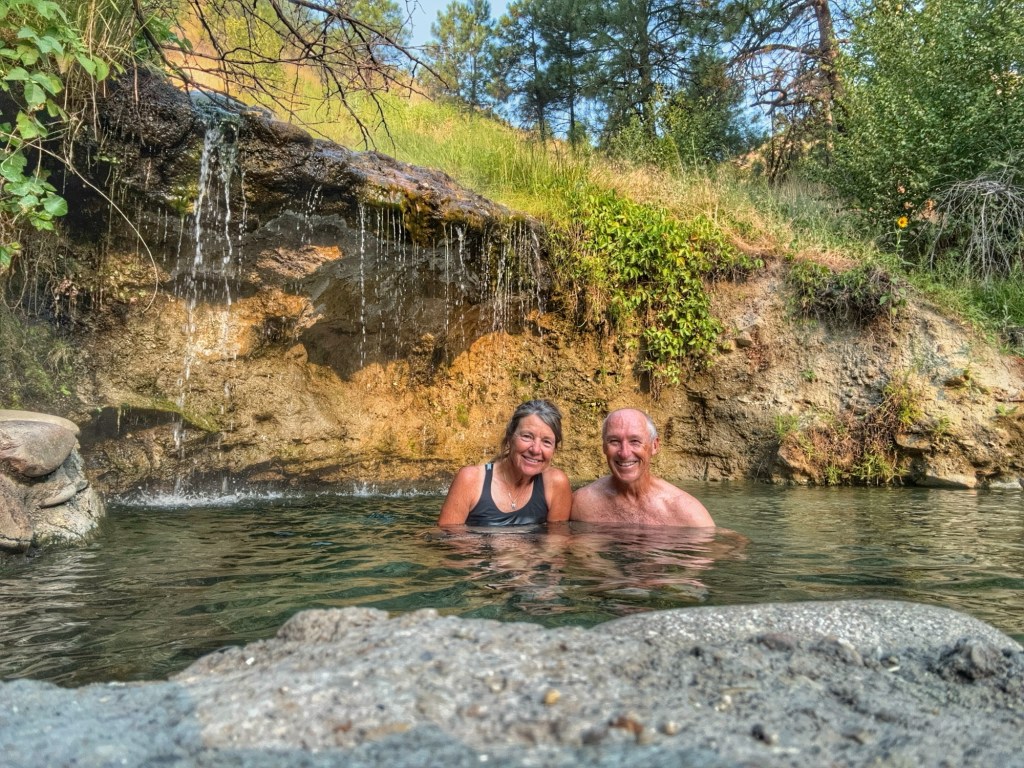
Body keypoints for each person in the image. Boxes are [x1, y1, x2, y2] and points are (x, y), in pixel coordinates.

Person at [571, 408, 715, 527]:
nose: (624, 453)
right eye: (614, 441)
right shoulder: (582, 504)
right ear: (604, 447)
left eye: (635, 441)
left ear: (654, 446)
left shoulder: (688, 513)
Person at [438, 399, 573, 526]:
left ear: (554, 449)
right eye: (527, 436)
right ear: (510, 437)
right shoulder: (470, 479)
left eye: (546, 442)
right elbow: (449, 539)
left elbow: (555, 540)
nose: (536, 450)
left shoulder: (556, 484)